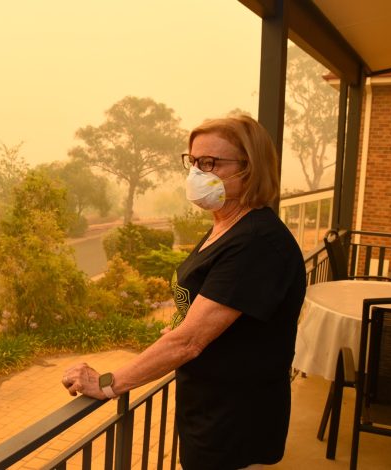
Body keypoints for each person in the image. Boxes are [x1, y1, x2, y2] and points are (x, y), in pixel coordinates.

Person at [61, 115, 306, 470]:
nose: (197, 173)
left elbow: (188, 343)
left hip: (235, 420)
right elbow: (208, 318)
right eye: (193, 161)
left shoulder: (256, 243)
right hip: (209, 408)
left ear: (249, 169)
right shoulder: (225, 226)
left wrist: (107, 383)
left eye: (210, 163)